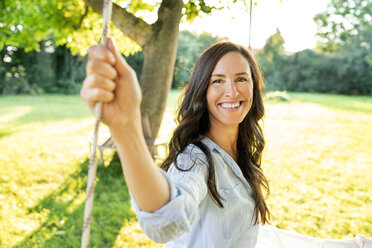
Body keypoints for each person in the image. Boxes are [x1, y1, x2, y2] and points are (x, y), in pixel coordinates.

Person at [80, 38, 271, 247]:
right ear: (202, 90)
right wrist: (124, 128)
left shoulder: (242, 151)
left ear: (254, 85)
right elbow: (167, 219)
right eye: (217, 81)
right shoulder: (196, 158)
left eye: (241, 79)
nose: (232, 91)